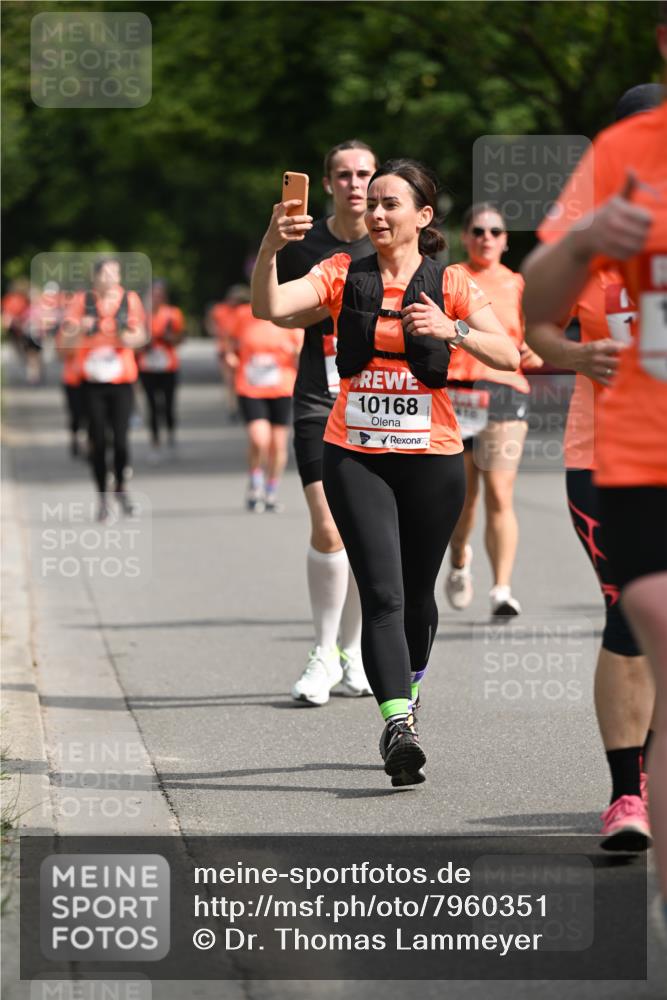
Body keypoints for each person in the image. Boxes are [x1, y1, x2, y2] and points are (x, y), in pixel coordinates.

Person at [252, 158, 519, 785]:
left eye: (389, 204)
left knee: (418, 601)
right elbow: (272, 307)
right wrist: (270, 245)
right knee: (383, 594)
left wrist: (454, 332)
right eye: (371, 203)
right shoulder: (343, 271)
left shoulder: (449, 281)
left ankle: (409, 690)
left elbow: (507, 352)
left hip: (432, 458)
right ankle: (397, 724)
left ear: (422, 217)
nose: (375, 213)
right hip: (357, 453)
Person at [522, 14, 667, 925]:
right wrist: (576, 357)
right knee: (631, 613)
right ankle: (626, 793)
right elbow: (534, 321)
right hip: (608, 455)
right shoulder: (597, 232)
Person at [276, 140, 378, 704]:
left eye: (364, 173)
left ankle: (354, 649)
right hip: (320, 395)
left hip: (379, 400)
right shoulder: (305, 244)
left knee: (366, 532)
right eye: (344, 174)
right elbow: (275, 306)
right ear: (328, 181)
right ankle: (322, 652)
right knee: (329, 525)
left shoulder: (390, 238)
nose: (355, 183)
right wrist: (274, 243)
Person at [444, 204, 543, 616]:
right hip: (457, 393)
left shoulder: (520, 284)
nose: (486, 237)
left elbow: (540, 336)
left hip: (504, 391)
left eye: (494, 231)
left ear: (505, 240)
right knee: (464, 499)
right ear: (465, 237)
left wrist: (535, 352)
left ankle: (501, 589)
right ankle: (460, 558)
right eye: (478, 230)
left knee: (500, 493)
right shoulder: (451, 278)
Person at [60, 258, 148, 520]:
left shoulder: (129, 300)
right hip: (91, 382)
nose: (111, 278)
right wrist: (79, 330)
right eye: (106, 273)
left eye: (116, 273)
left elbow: (141, 337)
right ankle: (102, 498)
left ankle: (120, 486)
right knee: (98, 441)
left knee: (120, 441)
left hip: (121, 381)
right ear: (94, 277)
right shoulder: (81, 301)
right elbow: (64, 344)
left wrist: (125, 335)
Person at [223, 299, 303, 512]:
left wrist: (293, 351)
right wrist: (230, 356)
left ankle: (270, 490)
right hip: (250, 386)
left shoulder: (289, 313)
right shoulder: (243, 314)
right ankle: (255, 483)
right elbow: (229, 342)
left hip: (282, 387)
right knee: (259, 439)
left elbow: (302, 351)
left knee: (278, 444)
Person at [137, 279, 186, 463]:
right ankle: (155, 442)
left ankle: (171, 435)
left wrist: (169, 337)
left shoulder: (173, 314)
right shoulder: (142, 316)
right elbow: (135, 342)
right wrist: (144, 342)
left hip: (168, 366)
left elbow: (180, 338)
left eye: (159, 294)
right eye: (152, 294)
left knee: (168, 405)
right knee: (151, 406)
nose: (156, 298)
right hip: (147, 367)